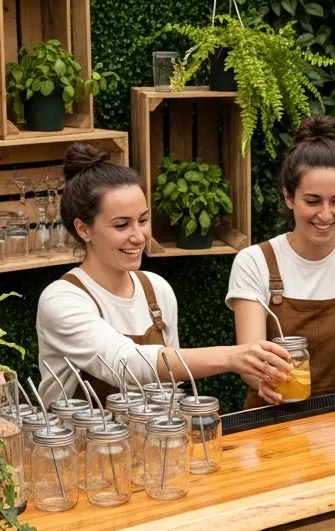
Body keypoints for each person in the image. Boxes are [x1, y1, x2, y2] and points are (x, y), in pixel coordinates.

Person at [37, 143, 291, 401]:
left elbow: (169, 385)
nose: (139, 237)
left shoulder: (156, 290)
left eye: (143, 220)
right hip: (75, 429)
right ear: (83, 229)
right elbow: (124, 363)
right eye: (122, 225)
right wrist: (231, 356)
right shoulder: (61, 300)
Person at [228, 115, 335, 407]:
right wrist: (264, 380)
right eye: (312, 201)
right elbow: (251, 359)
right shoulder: (254, 262)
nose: (325, 214)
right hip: (275, 417)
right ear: (288, 197)